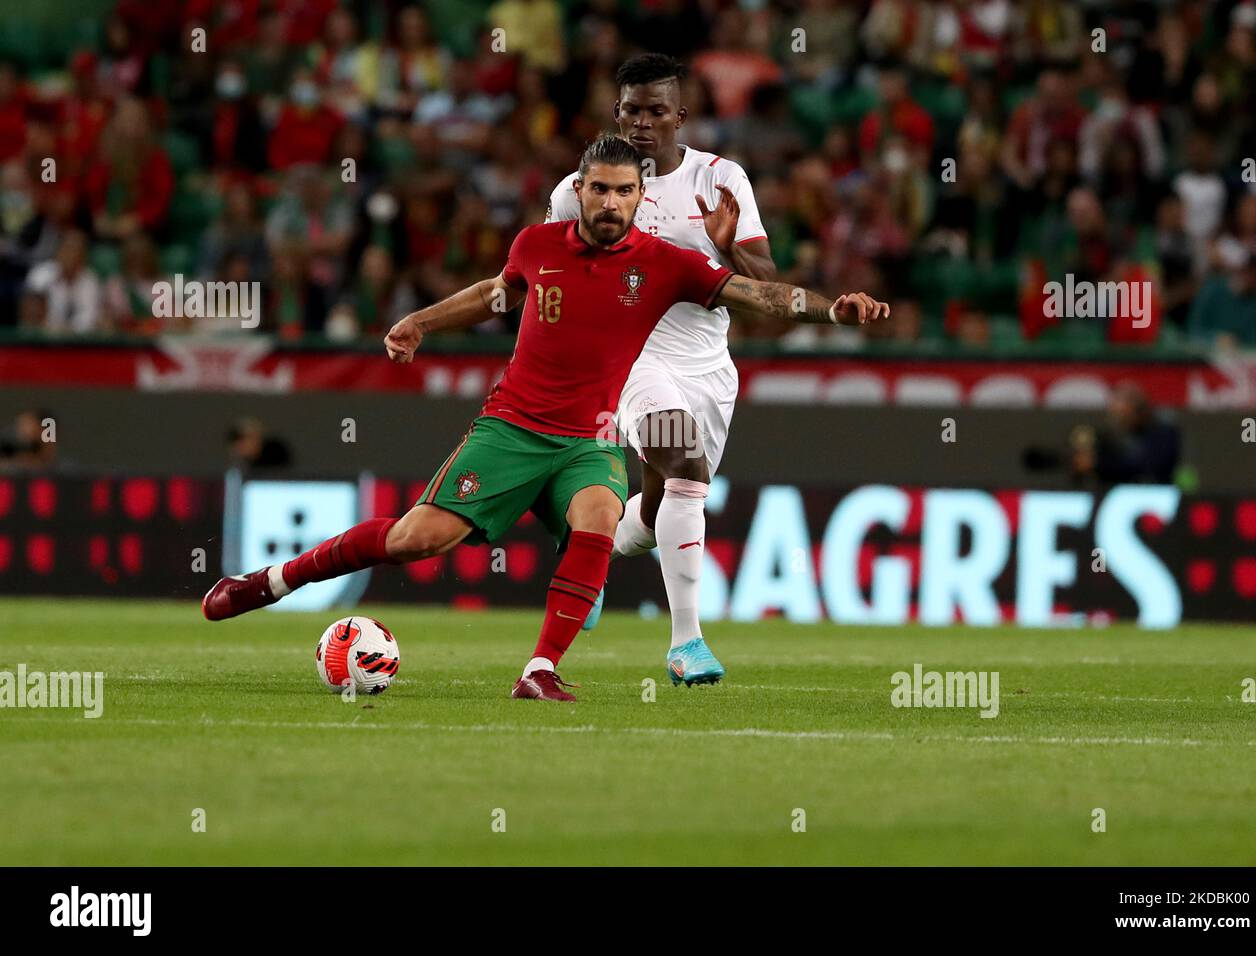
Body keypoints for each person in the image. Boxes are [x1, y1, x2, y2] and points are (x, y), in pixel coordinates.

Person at [201, 134, 887, 701]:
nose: (612, 202)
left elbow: (756, 292)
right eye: (600, 189)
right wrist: (418, 321)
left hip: (589, 440)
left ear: (641, 198)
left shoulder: (667, 264)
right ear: (578, 190)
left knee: (599, 514)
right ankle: (270, 582)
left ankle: (540, 669)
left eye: (625, 191)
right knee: (416, 540)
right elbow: (492, 293)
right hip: (511, 431)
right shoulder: (538, 244)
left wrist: (833, 309)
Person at [544, 53, 779, 687]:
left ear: (681, 115)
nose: (643, 123)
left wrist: (726, 246)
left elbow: (767, 289)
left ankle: (586, 560)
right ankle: (687, 643)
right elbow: (548, 274)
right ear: (616, 113)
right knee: (684, 463)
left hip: (707, 365)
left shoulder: (720, 181)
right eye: (632, 111)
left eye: (656, 111)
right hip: (630, 358)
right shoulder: (580, 190)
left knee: (658, 508)